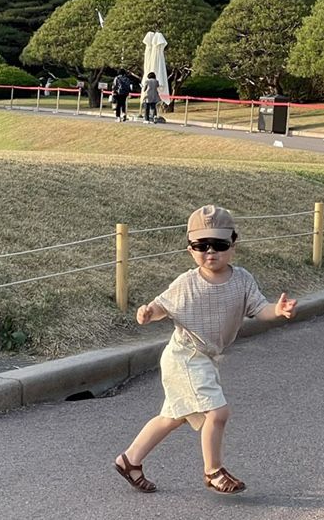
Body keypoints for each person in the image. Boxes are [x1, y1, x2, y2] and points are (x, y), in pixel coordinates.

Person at [114, 204, 297, 495]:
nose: (210, 251)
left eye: (219, 244)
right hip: (185, 356)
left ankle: (130, 460)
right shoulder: (187, 282)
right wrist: (148, 313)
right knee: (218, 412)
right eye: (201, 245)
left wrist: (278, 309)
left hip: (206, 358)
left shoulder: (242, 280)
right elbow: (162, 306)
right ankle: (213, 471)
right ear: (190, 249)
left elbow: (260, 309)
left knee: (172, 417)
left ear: (234, 244)